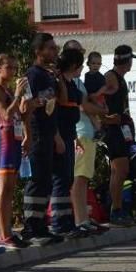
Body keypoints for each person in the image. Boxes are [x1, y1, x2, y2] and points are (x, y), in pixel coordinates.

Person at [21, 33, 64, 245]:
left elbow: (57, 103)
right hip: (37, 132)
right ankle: (30, 226)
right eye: (50, 48)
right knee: (37, 180)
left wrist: (56, 136)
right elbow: (25, 106)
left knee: (46, 180)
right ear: (39, 52)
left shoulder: (48, 75)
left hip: (48, 133)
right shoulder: (33, 75)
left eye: (55, 48)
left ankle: (41, 224)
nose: (55, 51)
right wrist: (28, 135)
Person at [0, 54, 31, 249]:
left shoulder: (8, 89)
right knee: (4, 188)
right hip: (5, 139)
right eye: (9, 68)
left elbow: (19, 115)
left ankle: (9, 231)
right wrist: (17, 95)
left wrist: (26, 103)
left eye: (15, 68)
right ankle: (3, 234)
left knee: (11, 188)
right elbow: (5, 114)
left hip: (15, 139)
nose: (13, 71)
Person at [73, 51, 109, 235]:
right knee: (79, 178)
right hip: (81, 133)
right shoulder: (73, 82)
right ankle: (80, 220)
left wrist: (97, 120)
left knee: (84, 178)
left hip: (88, 132)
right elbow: (83, 106)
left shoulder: (80, 82)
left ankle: (83, 219)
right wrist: (100, 114)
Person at [52, 48, 86, 237]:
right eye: (80, 64)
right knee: (61, 178)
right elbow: (57, 110)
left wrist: (75, 138)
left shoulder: (72, 83)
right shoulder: (60, 83)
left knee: (68, 179)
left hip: (69, 134)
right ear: (74, 65)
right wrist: (57, 137)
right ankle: (59, 222)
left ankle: (67, 221)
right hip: (60, 136)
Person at [103, 45, 136, 226]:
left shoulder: (121, 79)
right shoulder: (111, 77)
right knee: (120, 169)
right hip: (113, 130)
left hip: (122, 128)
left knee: (119, 170)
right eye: (131, 60)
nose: (132, 63)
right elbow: (95, 98)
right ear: (126, 60)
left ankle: (116, 208)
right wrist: (106, 118)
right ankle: (116, 210)